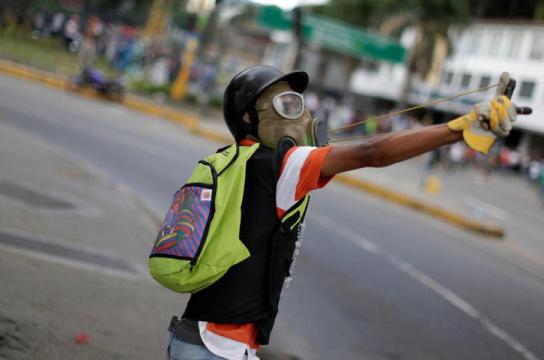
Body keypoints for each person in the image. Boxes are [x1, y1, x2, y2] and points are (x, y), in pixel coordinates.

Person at [165, 65, 517, 360]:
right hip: (218, 347)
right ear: (247, 117)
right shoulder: (282, 165)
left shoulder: (228, 160)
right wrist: (461, 129)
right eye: (286, 104)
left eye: (299, 103)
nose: (301, 115)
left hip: (194, 335)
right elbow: (372, 152)